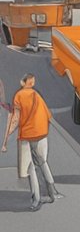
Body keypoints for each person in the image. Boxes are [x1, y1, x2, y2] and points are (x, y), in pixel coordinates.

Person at [2, 73, 62, 211]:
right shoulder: (37, 95)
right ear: (32, 83)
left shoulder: (19, 96)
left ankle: (37, 198)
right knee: (42, 161)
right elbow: (48, 115)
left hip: (29, 134)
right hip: (42, 133)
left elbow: (16, 118)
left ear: (23, 82)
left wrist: (6, 138)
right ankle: (53, 192)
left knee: (31, 167)